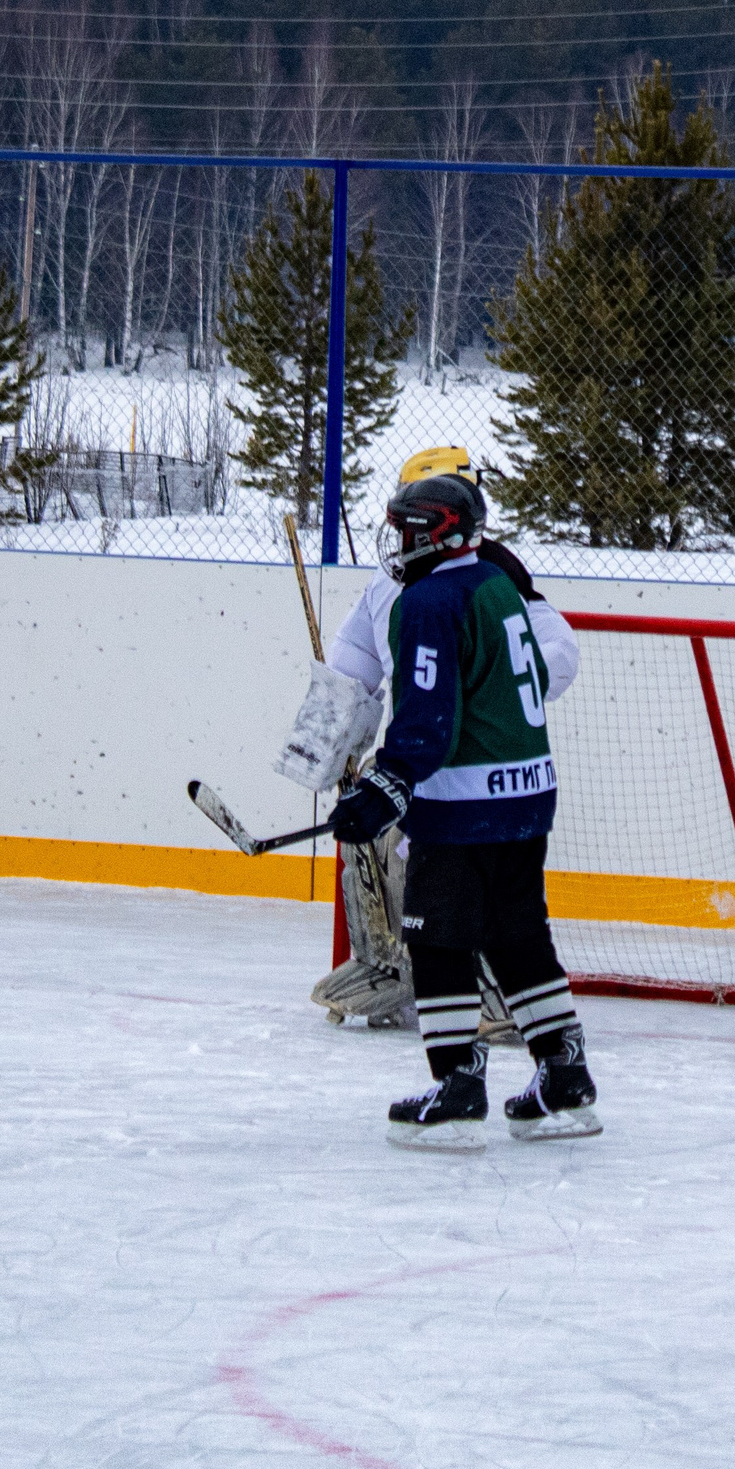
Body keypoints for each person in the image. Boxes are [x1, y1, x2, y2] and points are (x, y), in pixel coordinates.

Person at [325, 465, 597, 1149]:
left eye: (405, 531)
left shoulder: (427, 602)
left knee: (436, 938)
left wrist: (385, 786)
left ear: (431, 534)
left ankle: (456, 1086)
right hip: (528, 796)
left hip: (462, 808)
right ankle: (565, 1078)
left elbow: (428, 721)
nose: (398, 544)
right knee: (517, 935)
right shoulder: (499, 583)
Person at [289, 448, 580, 1038]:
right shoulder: (391, 581)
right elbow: (354, 667)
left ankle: (488, 991)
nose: (398, 536)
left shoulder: (496, 575)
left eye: (410, 522)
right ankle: (385, 964)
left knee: (433, 871)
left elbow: (559, 654)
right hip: (420, 750)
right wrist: (322, 747)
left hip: (467, 765)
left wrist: (487, 697)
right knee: (369, 837)